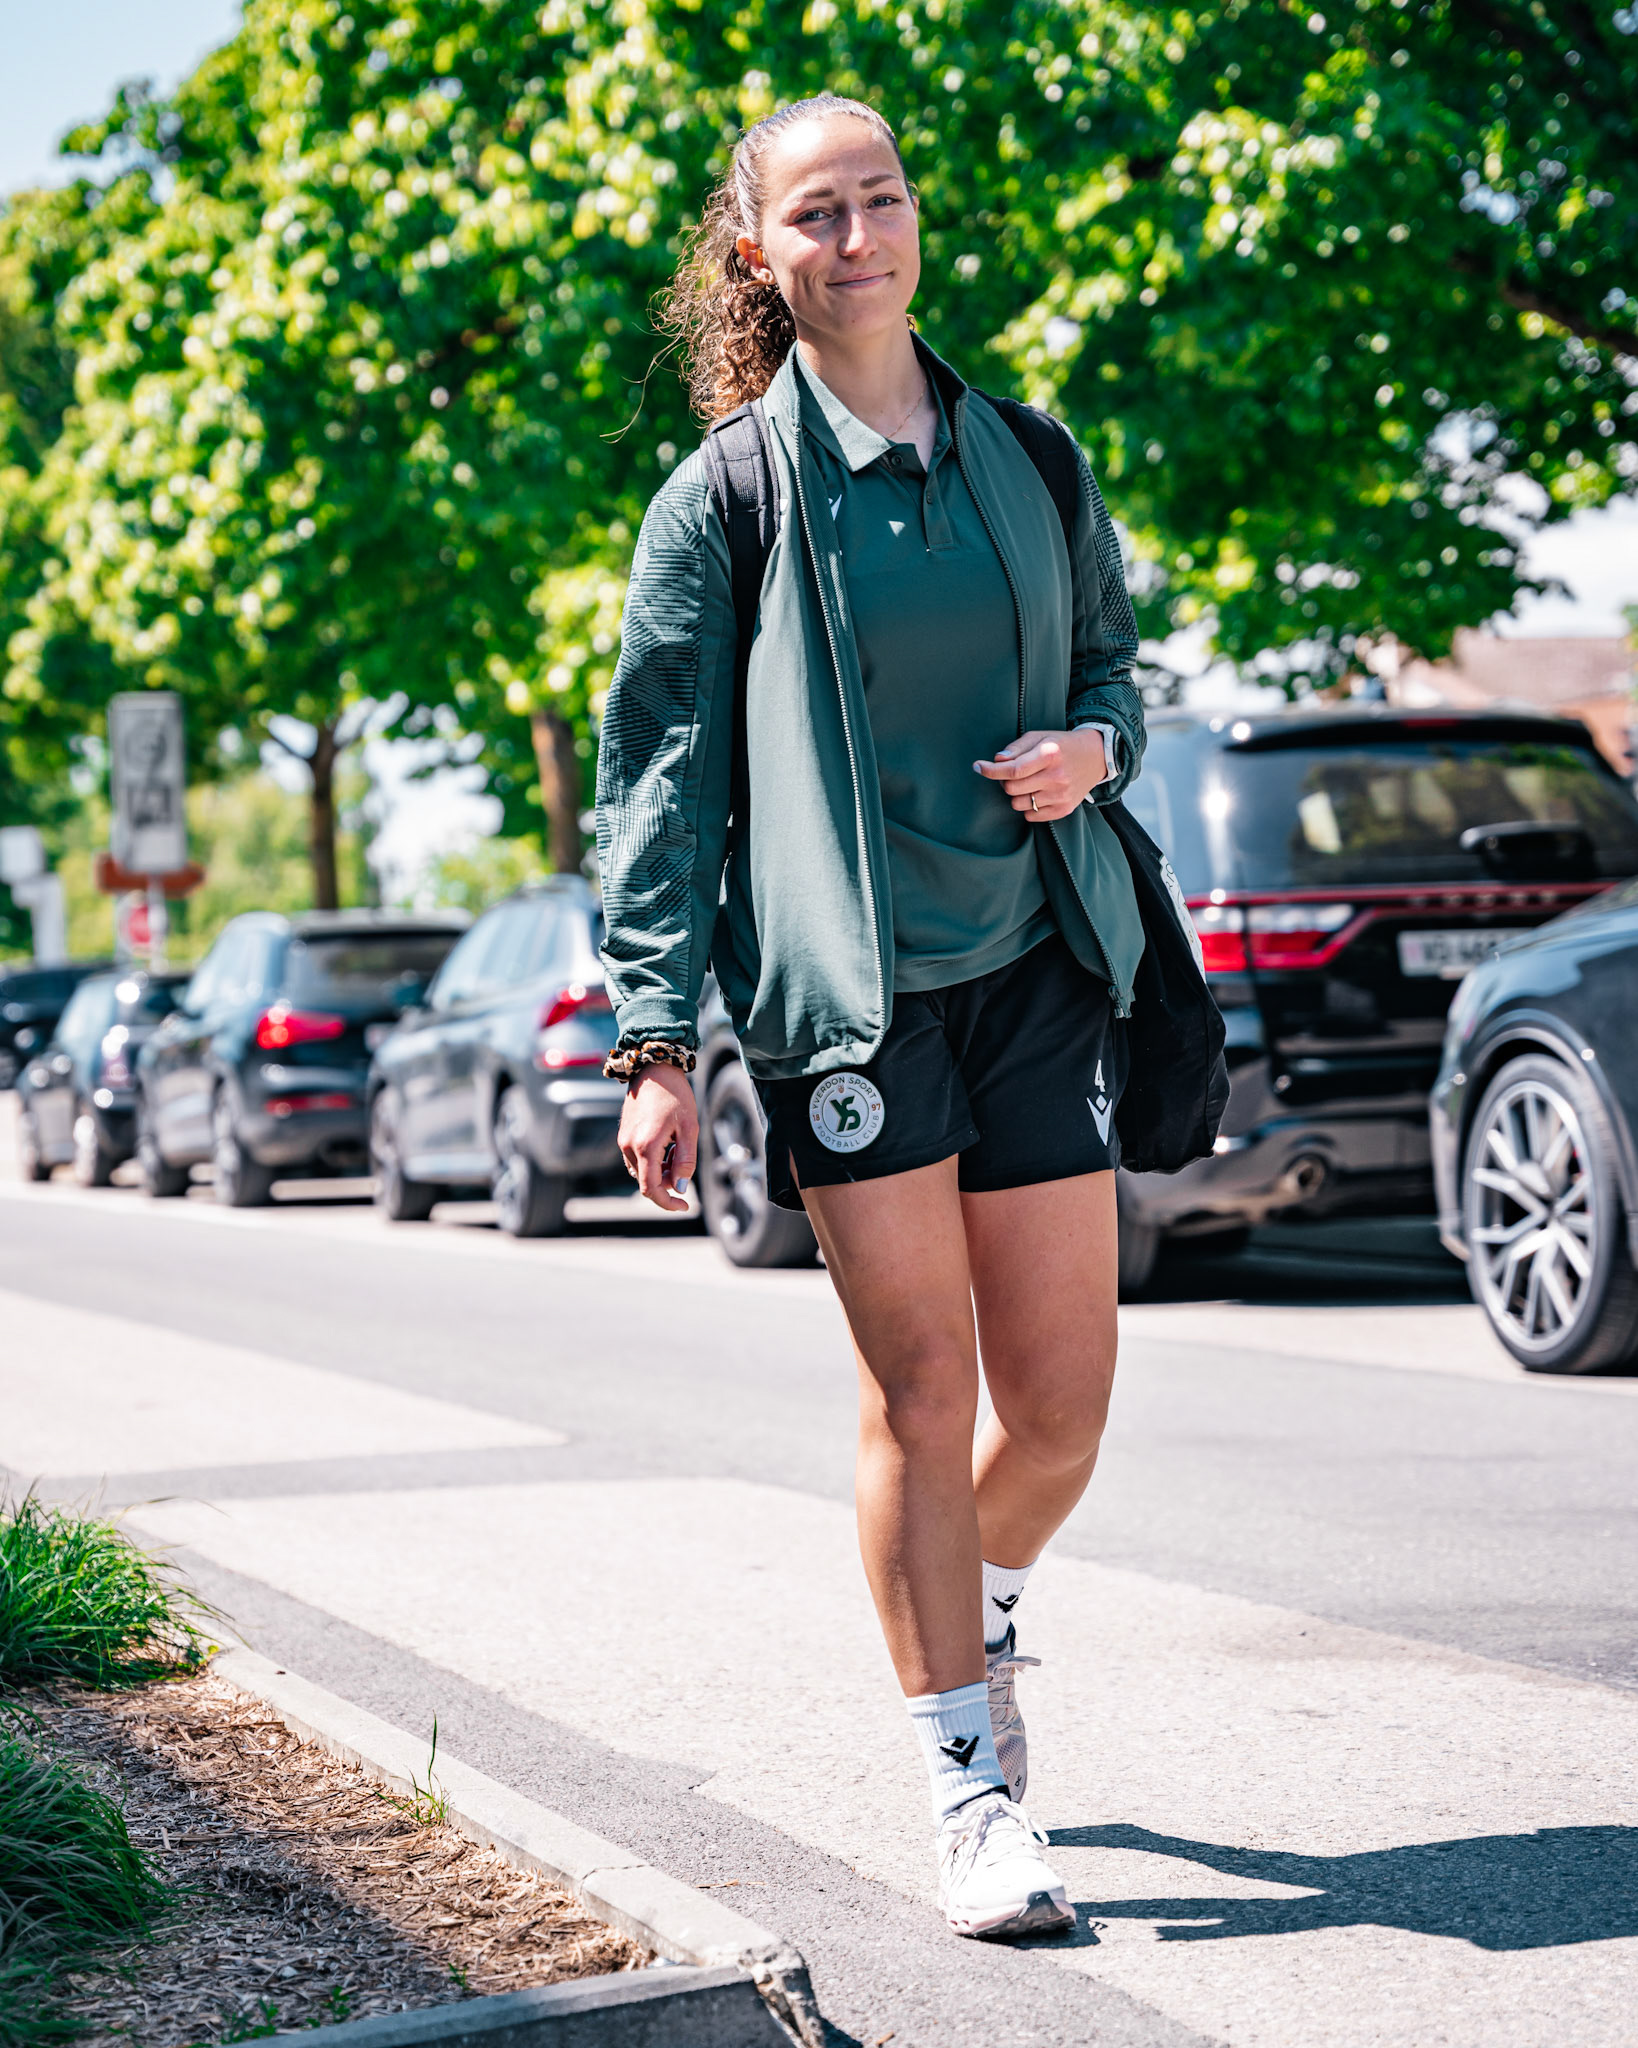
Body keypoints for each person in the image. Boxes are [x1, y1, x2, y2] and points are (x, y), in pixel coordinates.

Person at [595, 93, 1144, 1941]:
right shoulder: (729, 498)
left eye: (882, 198)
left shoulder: (1031, 456)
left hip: (1032, 966)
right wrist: (654, 1041)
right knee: (923, 1391)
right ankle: (967, 1779)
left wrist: (1094, 749)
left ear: (918, 220)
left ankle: (969, 1606)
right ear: (760, 254)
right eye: (814, 214)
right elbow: (660, 782)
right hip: (845, 1005)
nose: (859, 236)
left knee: (1059, 1411)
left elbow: (1111, 672)